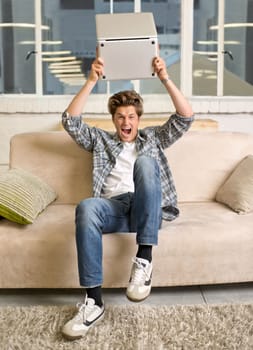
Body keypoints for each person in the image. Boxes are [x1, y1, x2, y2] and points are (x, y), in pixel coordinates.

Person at [61, 56, 194, 340]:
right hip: (113, 207)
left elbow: (185, 117)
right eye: (120, 117)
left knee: (145, 163)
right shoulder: (101, 140)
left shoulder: (153, 139)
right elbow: (70, 122)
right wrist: (91, 81)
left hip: (147, 206)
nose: (126, 121)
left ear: (138, 119)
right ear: (113, 120)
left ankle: (144, 259)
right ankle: (94, 302)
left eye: (131, 116)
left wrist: (165, 78)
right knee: (86, 206)